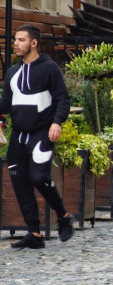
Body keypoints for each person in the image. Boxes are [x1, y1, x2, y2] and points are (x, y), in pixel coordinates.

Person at [0, 25, 75, 249]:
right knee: (20, 182)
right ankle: (34, 233)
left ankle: (63, 215)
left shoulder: (50, 68)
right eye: (15, 39)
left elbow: (63, 99)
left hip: (42, 133)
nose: (15, 43)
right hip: (18, 137)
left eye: (21, 40)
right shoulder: (12, 72)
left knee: (38, 178)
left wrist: (57, 123)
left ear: (33, 43)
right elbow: (5, 104)